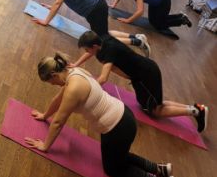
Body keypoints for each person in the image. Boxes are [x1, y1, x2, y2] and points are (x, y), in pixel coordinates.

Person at [24, 53, 175, 177]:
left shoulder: (73, 87)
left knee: (113, 170)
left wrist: (45, 146)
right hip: (122, 116)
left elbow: (58, 122)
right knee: (119, 157)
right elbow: (57, 100)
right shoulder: (74, 72)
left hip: (117, 127)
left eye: (51, 82)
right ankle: (160, 169)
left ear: (53, 75)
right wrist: (44, 115)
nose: (53, 85)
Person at [74, 31, 208, 132]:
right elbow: (90, 53)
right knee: (154, 104)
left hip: (146, 75)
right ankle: (196, 108)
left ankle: (196, 111)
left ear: (95, 46)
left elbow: (103, 78)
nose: (86, 52)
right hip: (142, 74)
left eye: (87, 49)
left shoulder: (109, 51)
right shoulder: (102, 40)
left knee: (155, 111)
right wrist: (76, 64)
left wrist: (87, 90)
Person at [32, 0, 151, 56]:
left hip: (95, 10)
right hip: (97, 7)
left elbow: (58, 2)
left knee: (102, 39)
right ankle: (135, 37)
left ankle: (138, 42)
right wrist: (52, 7)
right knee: (103, 33)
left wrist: (46, 21)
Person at [111, 0, 192, 31]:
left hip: (163, 1)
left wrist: (128, 20)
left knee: (158, 25)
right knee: (152, 21)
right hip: (155, 0)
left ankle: (181, 20)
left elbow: (140, 11)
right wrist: (114, 4)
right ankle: (180, 16)